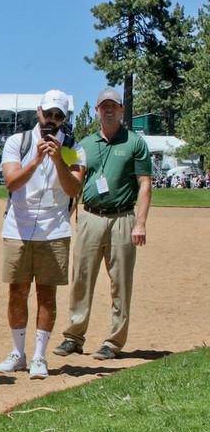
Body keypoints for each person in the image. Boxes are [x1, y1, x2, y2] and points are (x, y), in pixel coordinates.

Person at [54, 88, 152, 360]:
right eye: (104, 106)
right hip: (90, 217)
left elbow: (145, 184)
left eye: (114, 106)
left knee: (120, 282)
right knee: (81, 278)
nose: (109, 110)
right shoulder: (84, 145)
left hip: (122, 218)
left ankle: (114, 341)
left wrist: (141, 223)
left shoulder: (135, 143)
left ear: (121, 110)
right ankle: (74, 337)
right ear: (97, 110)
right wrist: (64, 218)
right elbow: (73, 183)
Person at [0, 90, 83, 379]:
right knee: (17, 291)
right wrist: (35, 160)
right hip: (18, 227)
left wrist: (57, 160)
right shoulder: (17, 142)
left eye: (58, 115)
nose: (52, 120)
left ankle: (39, 356)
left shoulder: (72, 148)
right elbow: (11, 182)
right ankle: (17, 353)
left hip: (55, 229)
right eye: (48, 114)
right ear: (39, 112)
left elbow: (74, 189)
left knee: (47, 294)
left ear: (64, 118)